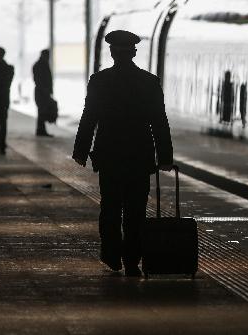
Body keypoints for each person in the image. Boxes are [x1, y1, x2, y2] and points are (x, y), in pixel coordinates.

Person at [72, 30, 173, 277]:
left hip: (109, 155)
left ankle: (111, 255)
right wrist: (165, 156)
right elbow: (159, 120)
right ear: (134, 52)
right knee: (136, 210)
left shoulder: (99, 81)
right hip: (140, 155)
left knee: (110, 207)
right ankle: (131, 260)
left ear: (112, 52)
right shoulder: (149, 82)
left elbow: (89, 117)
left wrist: (81, 150)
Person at [32, 49, 54, 137]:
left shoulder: (40, 65)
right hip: (42, 92)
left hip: (42, 91)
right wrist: (46, 91)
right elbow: (39, 80)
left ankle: (41, 130)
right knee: (42, 111)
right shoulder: (41, 65)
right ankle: (41, 130)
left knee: (41, 111)